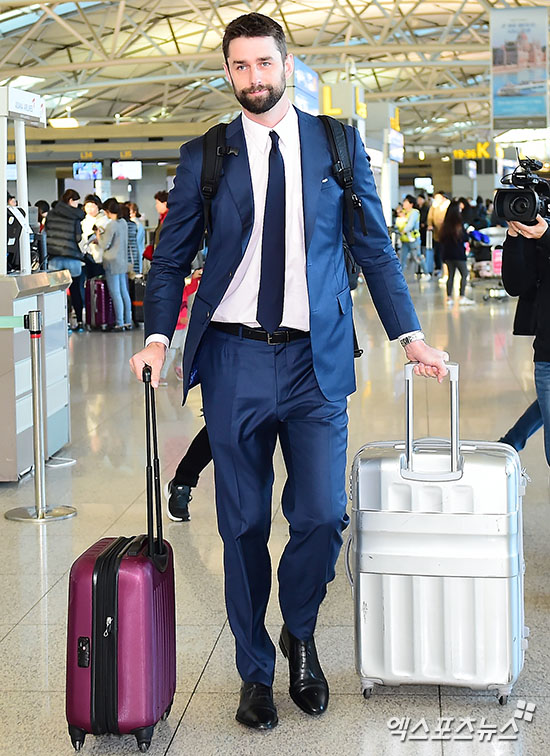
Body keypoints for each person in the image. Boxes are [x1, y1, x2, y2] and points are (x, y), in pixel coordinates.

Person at [129, 12, 448, 731]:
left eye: (264, 64)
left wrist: (411, 336)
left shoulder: (336, 143)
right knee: (242, 524)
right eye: (239, 66)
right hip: (234, 356)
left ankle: (299, 632)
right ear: (227, 72)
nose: (253, 79)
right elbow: (170, 259)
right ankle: (255, 669)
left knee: (322, 515)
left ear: (288, 65)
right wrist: (157, 338)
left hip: (316, 358)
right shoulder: (206, 156)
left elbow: (373, 247)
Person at [500, 214, 550, 465]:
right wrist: (514, 236)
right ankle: (512, 441)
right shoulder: (535, 228)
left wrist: (547, 236)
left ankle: (512, 440)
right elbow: (515, 285)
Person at [45, 188, 86, 330]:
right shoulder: (75, 216)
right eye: (76, 202)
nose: (77, 205)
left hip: (54, 257)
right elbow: (78, 238)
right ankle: (79, 321)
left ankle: (59, 321)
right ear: (70, 201)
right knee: (75, 290)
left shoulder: (51, 214)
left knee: (57, 292)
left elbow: (46, 233)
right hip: (72, 258)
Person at [95, 197, 132, 331]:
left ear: (107, 211)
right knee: (124, 292)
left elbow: (105, 245)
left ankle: (119, 322)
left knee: (115, 293)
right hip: (122, 261)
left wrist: (98, 235)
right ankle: (128, 321)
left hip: (112, 262)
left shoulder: (111, 225)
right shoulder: (123, 223)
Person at [439, 200, 474, 306]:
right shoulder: (459, 224)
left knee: (450, 275)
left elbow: (441, 239)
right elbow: (464, 238)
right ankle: (462, 296)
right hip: (458, 254)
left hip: (447, 254)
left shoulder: (445, 225)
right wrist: (468, 233)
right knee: (464, 273)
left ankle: (448, 297)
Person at [427, 190, 450, 276]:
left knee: (445, 252)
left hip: (446, 233)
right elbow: (430, 217)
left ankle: (446, 270)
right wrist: (430, 225)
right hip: (436, 233)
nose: (436, 199)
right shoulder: (434, 206)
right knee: (437, 252)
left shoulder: (447, 206)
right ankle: (438, 268)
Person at [143, 190, 168, 263]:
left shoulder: (170, 220)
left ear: (165, 203)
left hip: (166, 259)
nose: (156, 206)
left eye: (157, 203)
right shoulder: (162, 219)